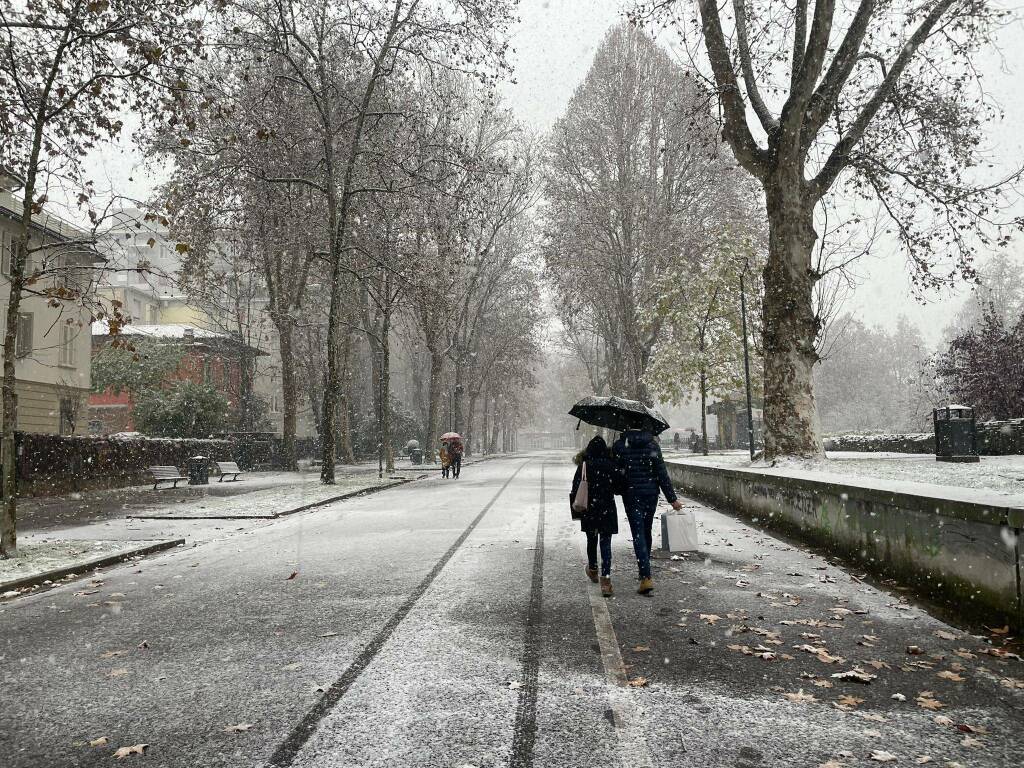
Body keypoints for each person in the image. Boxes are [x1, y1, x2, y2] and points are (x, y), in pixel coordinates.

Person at [613, 429, 682, 594]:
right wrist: (672, 499)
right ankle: (644, 570)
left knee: (638, 534)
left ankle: (645, 575)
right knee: (646, 530)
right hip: (651, 494)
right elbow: (662, 473)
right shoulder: (653, 445)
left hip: (631, 494)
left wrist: (618, 488)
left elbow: (617, 473)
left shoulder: (620, 446)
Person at [570, 436, 620, 597]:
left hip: (589, 510)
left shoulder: (584, 465)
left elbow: (575, 488)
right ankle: (606, 581)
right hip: (607, 508)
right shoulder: (611, 465)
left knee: (592, 540)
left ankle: (592, 569)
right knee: (606, 544)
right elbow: (620, 487)